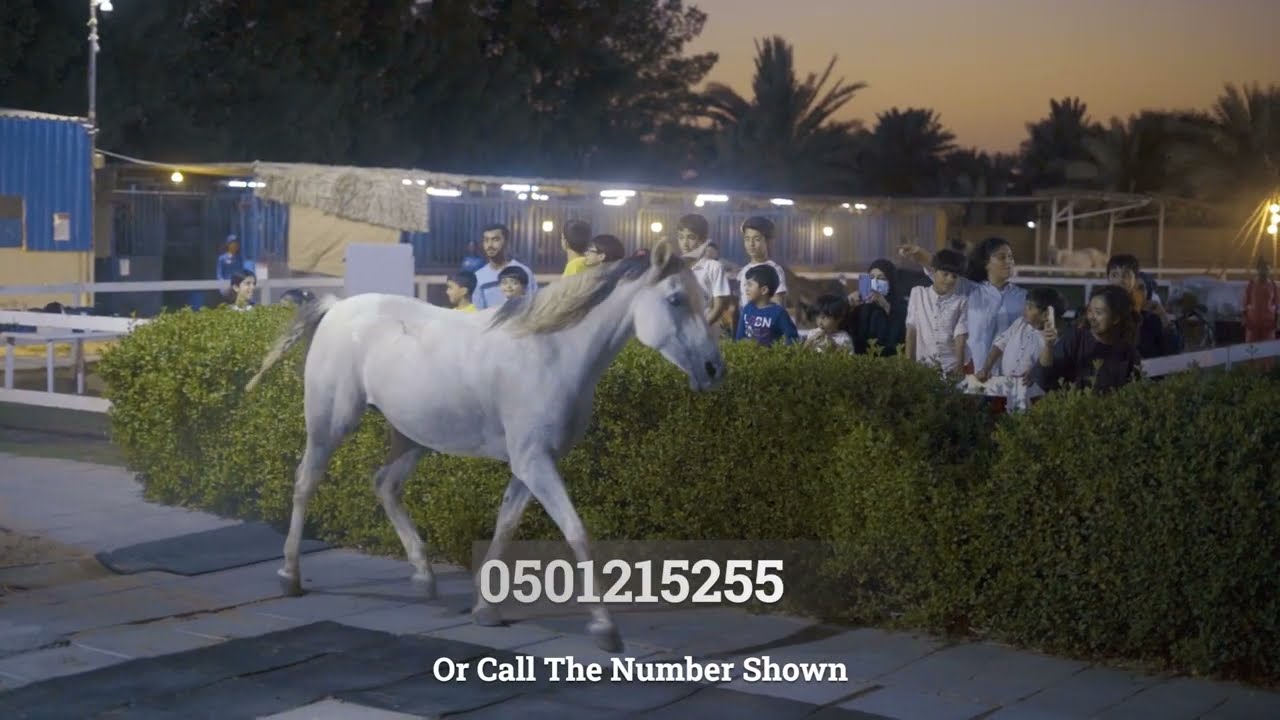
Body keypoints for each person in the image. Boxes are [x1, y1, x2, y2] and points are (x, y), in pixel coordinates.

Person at [900, 237, 1026, 374]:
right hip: (976, 374)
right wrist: (918, 252)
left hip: (1011, 375)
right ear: (986, 262)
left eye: (1010, 257)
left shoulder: (1022, 297)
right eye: (1002, 257)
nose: (1009, 262)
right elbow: (942, 266)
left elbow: (1032, 335)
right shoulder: (970, 290)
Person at [1036, 285, 1141, 394]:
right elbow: (1044, 379)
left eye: (1098, 312)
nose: (1091, 317)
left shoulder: (1128, 352)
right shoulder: (1076, 339)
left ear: (1115, 318)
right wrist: (1048, 346)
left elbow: (1134, 394)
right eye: (1090, 311)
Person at [977, 286, 1065, 383]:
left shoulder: (1053, 339)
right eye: (1026, 305)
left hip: (1032, 390)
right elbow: (999, 345)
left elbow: (1048, 365)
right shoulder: (1019, 323)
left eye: (1030, 307)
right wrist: (986, 368)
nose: (1025, 309)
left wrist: (1034, 373)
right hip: (1006, 385)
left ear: (1045, 315)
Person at [904, 248, 969, 375]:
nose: (950, 279)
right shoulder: (918, 293)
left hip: (950, 366)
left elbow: (960, 335)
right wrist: (908, 365)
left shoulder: (962, 302)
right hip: (923, 367)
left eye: (954, 276)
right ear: (934, 271)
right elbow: (911, 330)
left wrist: (959, 367)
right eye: (945, 274)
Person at [1106, 254, 1179, 358]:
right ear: (1108, 278)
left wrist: (1163, 317)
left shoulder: (1151, 320)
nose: (1120, 280)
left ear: (1134, 280)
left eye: (1125, 275)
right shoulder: (1095, 314)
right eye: (1114, 275)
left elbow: (1173, 351)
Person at [676, 213, 732, 325]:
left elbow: (719, 306)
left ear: (704, 239)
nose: (685, 243)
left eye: (691, 237)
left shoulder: (713, 267)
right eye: (681, 237)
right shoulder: (675, 268)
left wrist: (703, 328)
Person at [849, 258, 907, 357]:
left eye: (881, 278)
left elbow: (900, 334)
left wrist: (884, 304)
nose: (875, 281)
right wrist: (849, 305)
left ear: (891, 281)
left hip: (892, 363)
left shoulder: (902, 305)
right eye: (871, 277)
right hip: (863, 363)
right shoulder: (863, 305)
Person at [472, 224, 537, 309]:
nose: (490, 245)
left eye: (495, 240)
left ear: (506, 242)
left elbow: (533, 304)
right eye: (486, 240)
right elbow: (478, 310)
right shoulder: (480, 275)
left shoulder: (523, 270)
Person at [735, 264, 799, 347]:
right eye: (746, 284)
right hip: (748, 357)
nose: (746, 288)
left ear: (764, 290)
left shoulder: (779, 313)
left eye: (750, 285)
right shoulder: (747, 309)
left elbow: (792, 339)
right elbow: (739, 338)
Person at [737, 216, 787, 310]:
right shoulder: (745, 270)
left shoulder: (774, 270)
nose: (751, 244)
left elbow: (778, 306)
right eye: (747, 239)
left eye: (757, 239)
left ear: (768, 241)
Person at [1243, 257, 1278, 343]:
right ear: (1258, 270)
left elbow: (1278, 306)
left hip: (1268, 326)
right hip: (1252, 325)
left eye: (1267, 269)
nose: (1264, 272)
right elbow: (1244, 304)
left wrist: (1277, 322)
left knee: (1267, 351)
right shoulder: (1251, 285)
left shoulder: (1273, 285)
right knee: (1251, 351)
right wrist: (1245, 320)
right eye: (1262, 269)